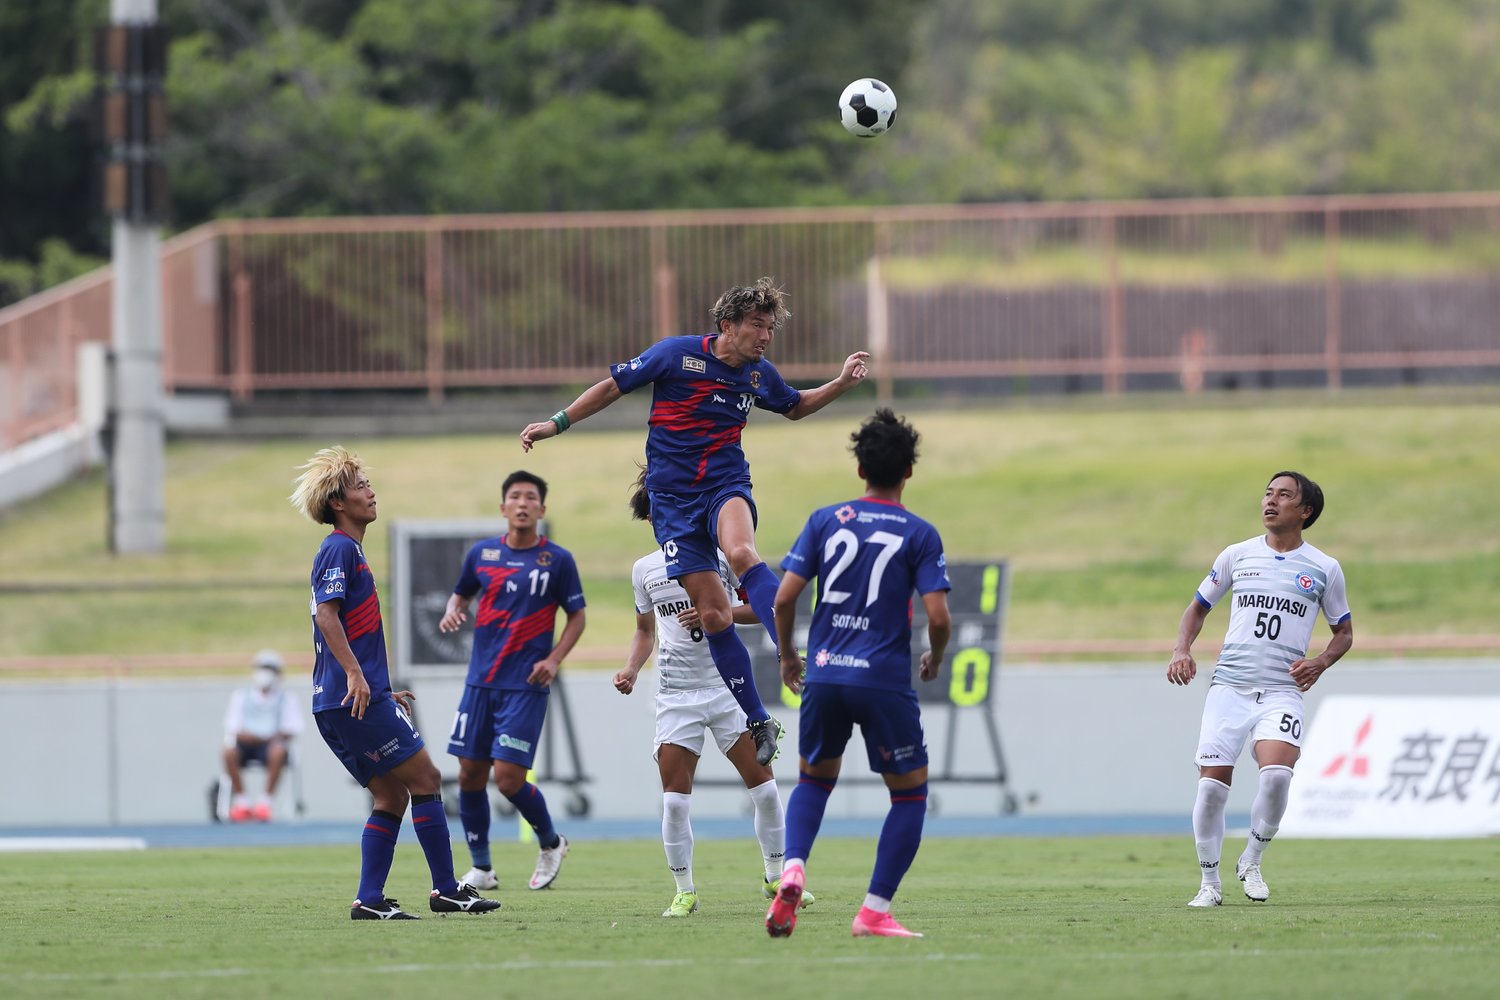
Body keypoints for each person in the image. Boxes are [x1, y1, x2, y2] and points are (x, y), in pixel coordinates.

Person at [519, 276, 870, 768]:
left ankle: (791, 653)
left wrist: (839, 383)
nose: (766, 337)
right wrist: (557, 423)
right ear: (728, 325)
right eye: (758, 326)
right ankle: (758, 719)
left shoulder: (758, 374)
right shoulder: (675, 355)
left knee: (743, 553)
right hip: (672, 504)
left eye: (771, 328)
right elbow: (611, 387)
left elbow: (794, 407)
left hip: (726, 485)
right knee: (713, 615)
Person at [290, 445, 501, 920]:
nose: (371, 491)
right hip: (350, 697)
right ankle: (446, 889)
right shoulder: (340, 547)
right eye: (360, 486)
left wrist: (378, 687)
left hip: (344, 701)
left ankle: (369, 900)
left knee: (392, 794)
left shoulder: (349, 551)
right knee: (426, 778)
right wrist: (357, 674)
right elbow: (326, 615)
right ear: (339, 503)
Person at [764, 409, 951, 940]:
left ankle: (794, 865)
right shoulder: (919, 533)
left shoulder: (826, 519)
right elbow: (938, 616)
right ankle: (873, 912)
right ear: (909, 471)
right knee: (910, 796)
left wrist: (788, 658)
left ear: (860, 468)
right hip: (884, 680)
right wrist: (935, 658)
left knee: (814, 780)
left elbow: (783, 597)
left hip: (824, 676)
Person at [613, 467, 815, 918]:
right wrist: (630, 667)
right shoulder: (644, 570)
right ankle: (684, 890)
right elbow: (645, 630)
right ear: (653, 517)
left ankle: (775, 876)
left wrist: (715, 613)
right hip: (675, 695)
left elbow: (753, 607)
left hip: (726, 691)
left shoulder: (720, 558)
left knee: (763, 790)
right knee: (675, 800)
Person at [1167, 470, 1354, 908]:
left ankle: (1251, 860)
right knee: (1212, 788)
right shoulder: (1237, 555)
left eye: (1284, 495)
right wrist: (1181, 649)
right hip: (1229, 688)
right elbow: (1197, 609)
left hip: (1280, 690)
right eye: (1268, 493)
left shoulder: (1324, 569)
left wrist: (1321, 661)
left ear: (1304, 511)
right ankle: (1209, 884)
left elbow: (1344, 632)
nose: (1270, 501)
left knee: (1276, 778)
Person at [439, 470, 586, 893]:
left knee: (507, 780)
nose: (522, 504)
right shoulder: (481, 554)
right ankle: (482, 868)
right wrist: (454, 609)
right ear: (503, 507)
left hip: (525, 685)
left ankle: (551, 842)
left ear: (542, 508)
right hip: (480, 682)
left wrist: (555, 659)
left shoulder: (557, 560)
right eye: (515, 497)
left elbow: (577, 616)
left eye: (530, 498)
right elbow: (461, 592)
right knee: (468, 774)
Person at [220, 648, 303, 822]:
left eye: (270, 669)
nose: (265, 674)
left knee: (278, 751)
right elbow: (233, 727)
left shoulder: (287, 698)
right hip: (246, 744)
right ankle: (242, 803)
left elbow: (292, 729)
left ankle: (265, 803)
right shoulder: (241, 696)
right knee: (228, 752)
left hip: (271, 745)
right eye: (262, 668)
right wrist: (249, 736)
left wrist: (269, 737)